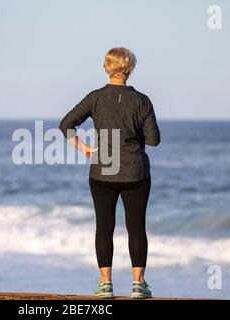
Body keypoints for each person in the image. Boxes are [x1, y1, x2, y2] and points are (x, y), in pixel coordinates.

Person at [59, 47, 160, 299]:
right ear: (130, 69)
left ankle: (105, 285)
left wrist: (83, 149)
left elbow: (66, 124)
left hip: (102, 172)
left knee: (104, 227)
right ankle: (138, 285)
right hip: (135, 172)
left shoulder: (96, 98)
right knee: (136, 227)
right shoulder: (142, 100)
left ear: (107, 67)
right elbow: (154, 140)